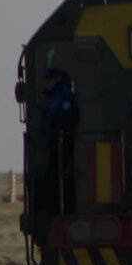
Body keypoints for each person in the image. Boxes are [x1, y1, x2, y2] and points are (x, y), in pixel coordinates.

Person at [37, 68, 79, 214]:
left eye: (48, 80)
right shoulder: (52, 98)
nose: (45, 83)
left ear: (57, 79)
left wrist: (59, 136)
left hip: (61, 145)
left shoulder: (65, 97)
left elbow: (68, 121)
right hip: (52, 145)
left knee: (57, 177)